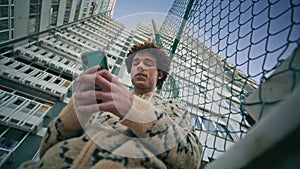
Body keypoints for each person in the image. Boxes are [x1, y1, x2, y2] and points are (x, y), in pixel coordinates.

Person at [19, 41, 203, 169]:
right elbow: (46, 150)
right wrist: (77, 109)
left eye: (147, 63)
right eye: (135, 63)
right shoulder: (105, 97)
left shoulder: (175, 108)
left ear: (160, 74)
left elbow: (191, 160)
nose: (140, 66)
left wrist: (132, 108)